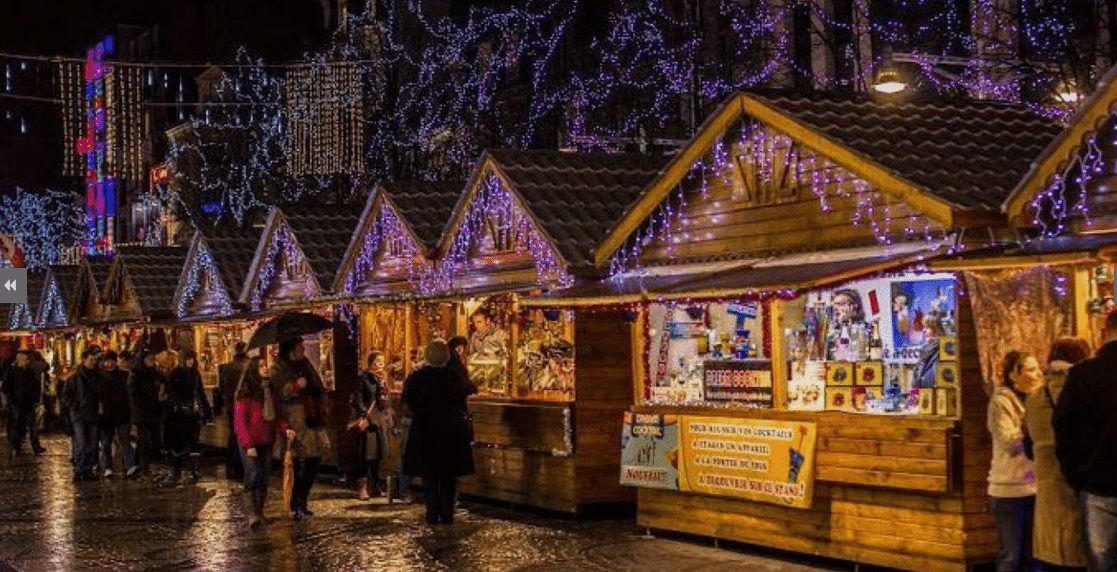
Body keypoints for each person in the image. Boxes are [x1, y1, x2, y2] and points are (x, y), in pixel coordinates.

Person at [1055, 311, 1117, 572]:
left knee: (1099, 563)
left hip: (1097, 485)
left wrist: (1076, 476)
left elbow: (1063, 427)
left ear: (1104, 332)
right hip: (1094, 482)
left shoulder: (1083, 374)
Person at [1027, 338, 1091, 572]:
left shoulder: (1034, 399)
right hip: (1082, 495)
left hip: (1047, 499)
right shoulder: (1086, 394)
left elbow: (1029, 444)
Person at [403, 339, 477, 525]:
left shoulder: (417, 377)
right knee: (448, 476)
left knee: (429, 476)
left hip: (425, 430)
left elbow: (409, 402)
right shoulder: (454, 376)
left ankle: (431, 512)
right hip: (450, 430)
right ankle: (447, 514)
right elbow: (466, 394)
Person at [989, 350, 1042, 572]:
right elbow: (1009, 443)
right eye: (1030, 369)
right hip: (1009, 490)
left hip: (1034, 487)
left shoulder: (1038, 400)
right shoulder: (1001, 403)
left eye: (1038, 368)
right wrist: (1031, 424)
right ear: (1014, 375)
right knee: (1011, 556)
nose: (1038, 374)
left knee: (1035, 556)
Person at [234, 352, 291, 528]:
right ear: (253, 370)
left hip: (267, 440)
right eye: (261, 366)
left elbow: (276, 415)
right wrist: (248, 444)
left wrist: (285, 429)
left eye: (266, 365)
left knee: (264, 477)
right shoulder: (246, 394)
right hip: (250, 442)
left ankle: (259, 512)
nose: (265, 368)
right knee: (252, 476)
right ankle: (252, 514)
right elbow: (240, 423)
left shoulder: (271, 390)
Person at [274, 337, 330, 519]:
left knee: (314, 459)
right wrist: (295, 386)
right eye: (300, 345)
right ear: (292, 348)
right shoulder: (279, 367)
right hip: (294, 419)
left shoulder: (304, 364)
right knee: (299, 461)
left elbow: (317, 385)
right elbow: (278, 392)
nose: (303, 349)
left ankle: (302, 499)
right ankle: (296, 502)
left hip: (311, 415)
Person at [164, 350, 212, 483]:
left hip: (193, 412)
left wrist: (206, 411)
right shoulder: (175, 374)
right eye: (189, 359)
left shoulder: (195, 373)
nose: (191, 361)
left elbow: (200, 392)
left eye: (192, 359)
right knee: (179, 442)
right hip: (179, 414)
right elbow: (171, 393)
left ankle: (194, 470)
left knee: (194, 441)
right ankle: (177, 470)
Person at [60, 347, 104, 481]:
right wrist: (75, 407)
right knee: (81, 443)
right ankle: (80, 469)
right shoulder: (74, 377)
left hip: (93, 414)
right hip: (79, 415)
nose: (93, 362)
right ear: (84, 360)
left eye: (94, 360)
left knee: (92, 444)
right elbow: (65, 396)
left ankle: (88, 469)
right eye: (91, 360)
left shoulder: (98, 376)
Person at [351, 351, 387, 500]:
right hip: (367, 421)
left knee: (377, 454)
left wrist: (383, 388)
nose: (381, 365)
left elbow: (382, 401)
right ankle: (362, 487)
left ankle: (376, 486)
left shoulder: (381, 379)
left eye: (382, 362)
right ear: (371, 363)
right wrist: (364, 414)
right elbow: (357, 399)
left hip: (378, 420)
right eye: (378, 362)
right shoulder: (363, 378)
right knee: (365, 454)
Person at [98, 351, 137, 478]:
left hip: (122, 414)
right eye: (107, 361)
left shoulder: (125, 375)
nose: (110, 364)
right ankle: (108, 467)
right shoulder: (101, 377)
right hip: (107, 416)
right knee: (106, 443)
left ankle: (130, 466)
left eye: (112, 361)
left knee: (124, 440)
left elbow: (130, 396)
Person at [218, 342, 251, 480]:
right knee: (243, 434)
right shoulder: (247, 367)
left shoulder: (227, 368)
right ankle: (240, 466)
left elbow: (222, 389)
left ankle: (232, 464)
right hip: (244, 405)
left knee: (234, 434)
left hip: (232, 406)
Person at [1, 351, 45, 455]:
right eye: (25, 360)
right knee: (17, 426)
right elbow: (5, 387)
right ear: (19, 360)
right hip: (17, 403)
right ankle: (16, 446)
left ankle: (36, 447)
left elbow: (34, 386)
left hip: (28, 403)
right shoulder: (11, 371)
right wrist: (12, 399)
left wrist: (35, 399)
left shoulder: (29, 372)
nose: (28, 361)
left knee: (33, 426)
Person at [128, 351, 164, 476]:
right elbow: (133, 395)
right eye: (149, 359)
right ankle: (143, 466)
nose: (152, 361)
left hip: (153, 412)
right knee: (145, 439)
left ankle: (140, 464)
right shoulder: (136, 374)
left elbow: (161, 386)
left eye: (153, 359)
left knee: (151, 441)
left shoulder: (154, 373)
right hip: (141, 414)